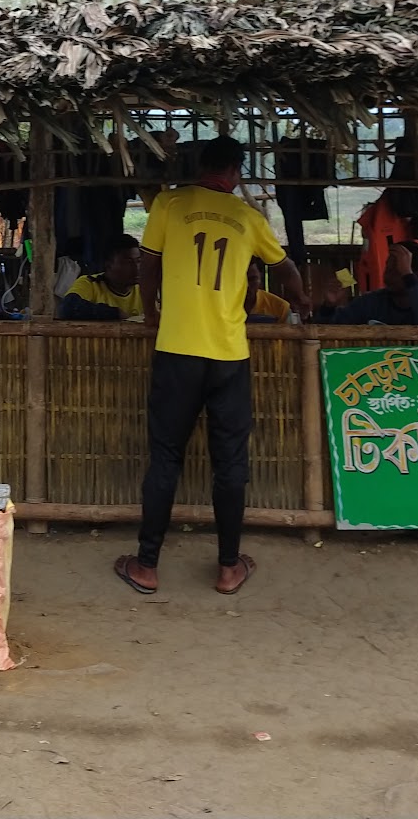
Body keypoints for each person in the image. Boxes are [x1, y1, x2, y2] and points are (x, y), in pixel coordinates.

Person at [115, 137, 309, 597]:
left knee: (165, 456)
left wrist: (150, 312)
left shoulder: (169, 203)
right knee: (230, 463)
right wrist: (302, 301)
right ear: (237, 173)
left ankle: (146, 565)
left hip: (177, 351)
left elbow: (149, 266)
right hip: (228, 357)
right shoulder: (248, 217)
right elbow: (285, 270)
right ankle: (227, 567)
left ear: (200, 166)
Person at [330, 240, 418, 326]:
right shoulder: (370, 303)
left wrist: (408, 275)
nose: (387, 274)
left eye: (396, 270)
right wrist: (328, 307)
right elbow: (329, 329)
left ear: (417, 275)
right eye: (387, 267)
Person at [58, 233, 142, 321]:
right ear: (108, 264)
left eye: (139, 261)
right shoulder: (90, 284)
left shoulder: (145, 289)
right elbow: (67, 308)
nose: (136, 268)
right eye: (128, 262)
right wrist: (114, 313)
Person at [244, 258, 291, 323]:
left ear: (261, 277)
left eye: (252, 279)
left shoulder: (280, 307)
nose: (247, 286)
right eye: (240, 280)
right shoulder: (225, 305)